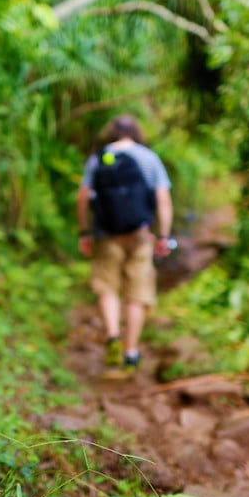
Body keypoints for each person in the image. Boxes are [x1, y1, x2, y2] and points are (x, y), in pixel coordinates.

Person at [77, 114, 173, 375]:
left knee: (107, 287)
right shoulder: (148, 157)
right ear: (137, 132)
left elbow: (83, 198)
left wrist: (84, 232)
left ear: (111, 132)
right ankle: (131, 352)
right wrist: (164, 236)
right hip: (139, 234)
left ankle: (112, 336)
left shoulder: (99, 158)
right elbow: (163, 199)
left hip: (106, 233)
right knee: (136, 294)